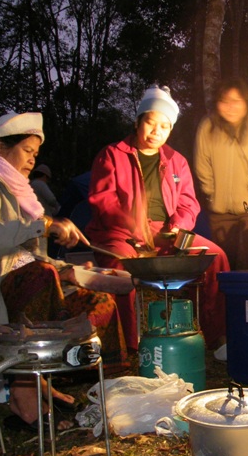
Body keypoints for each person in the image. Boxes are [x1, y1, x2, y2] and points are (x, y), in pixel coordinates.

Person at [0, 112, 128, 431]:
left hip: (29, 291)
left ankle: (106, 393)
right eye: (27, 151)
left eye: (35, 153)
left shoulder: (23, 196)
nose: (32, 160)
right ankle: (24, 395)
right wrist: (42, 226)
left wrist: (70, 271)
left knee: (98, 302)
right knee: (39, 277)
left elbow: (28, 258)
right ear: (1, 146)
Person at [86, 85, 230, 351]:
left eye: (164, 126)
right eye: (151, 123)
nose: (156, 131)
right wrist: (133, 226)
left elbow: (188, 202)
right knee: (120, 267)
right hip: (120, 234)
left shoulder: (176, 160)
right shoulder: (112, 155)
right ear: (137, 122)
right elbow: (103, 201)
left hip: (166, 234)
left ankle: (216, 335)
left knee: (216, 256)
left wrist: (178, 227)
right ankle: (128, 345)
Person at [194, 78, 248, 271]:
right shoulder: (208, 126)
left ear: (246, 102)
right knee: (223, 265)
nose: (231, 107)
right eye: (225, 101)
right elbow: (202, 165)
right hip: (219, 212)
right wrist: (212, 193)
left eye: (236, 101)